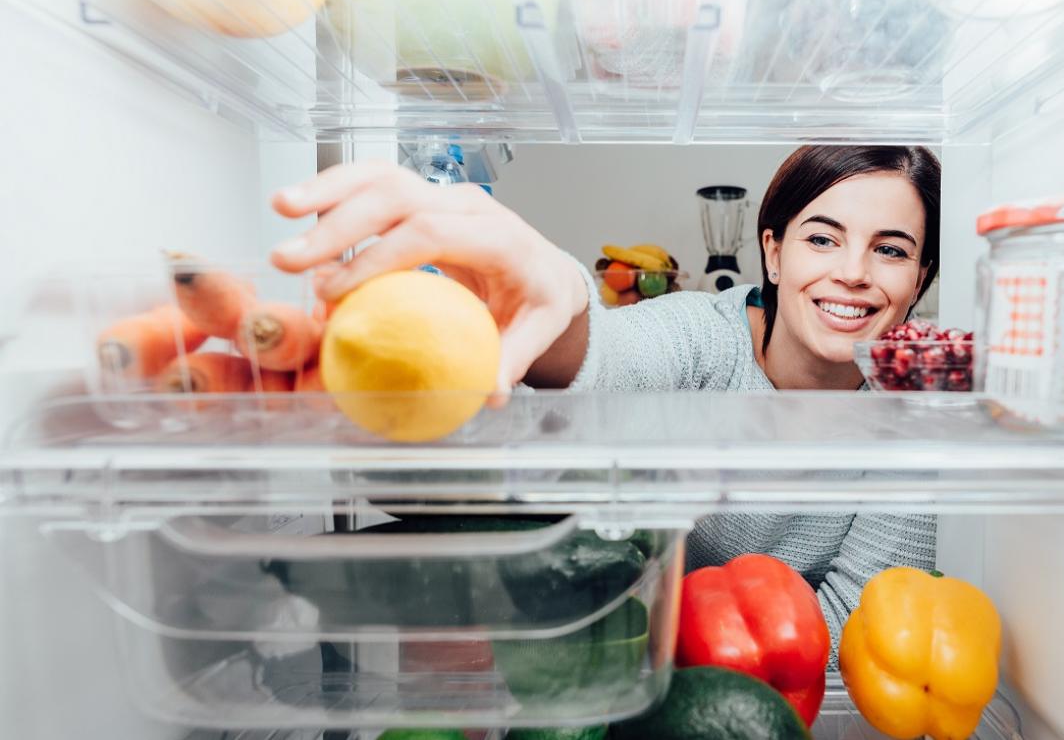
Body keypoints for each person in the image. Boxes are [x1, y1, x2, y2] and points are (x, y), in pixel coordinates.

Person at [270, 145, 940, 666]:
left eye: (890, 250)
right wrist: (556, 292)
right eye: (822, 238)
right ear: (772, 251)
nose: (853, 271)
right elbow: (609, 356)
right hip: (620, 654)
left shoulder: (913, 418)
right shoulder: (704, 334)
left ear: (919, 281)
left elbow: (866, 620)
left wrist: (704, 655)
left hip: (767, 687)